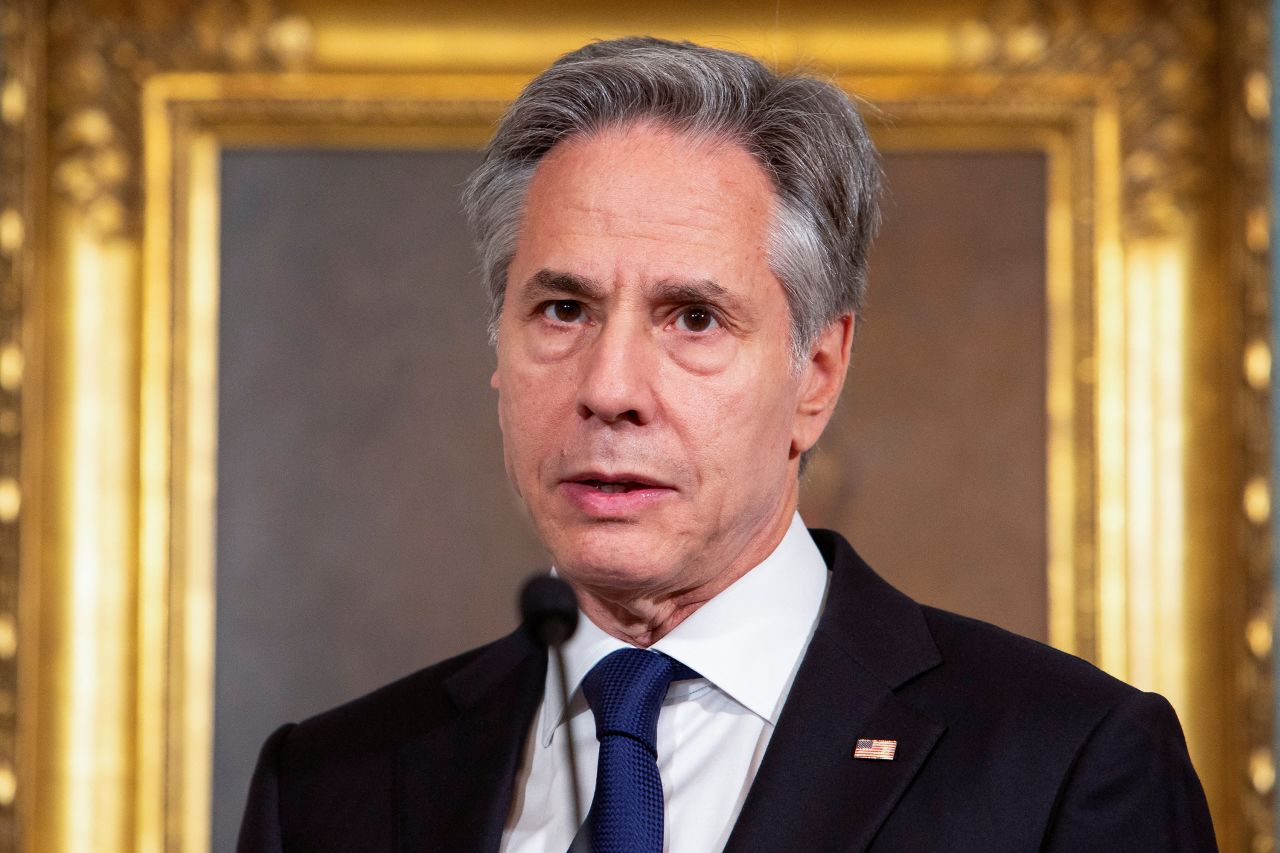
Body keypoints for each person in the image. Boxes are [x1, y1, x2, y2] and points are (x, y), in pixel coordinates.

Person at [237, 37, 1216, 852]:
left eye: (692, 317)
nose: (609, 389)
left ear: (815, 375)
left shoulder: (1064, 763)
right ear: (497, 347)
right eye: (563, 307)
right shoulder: (328, 787)